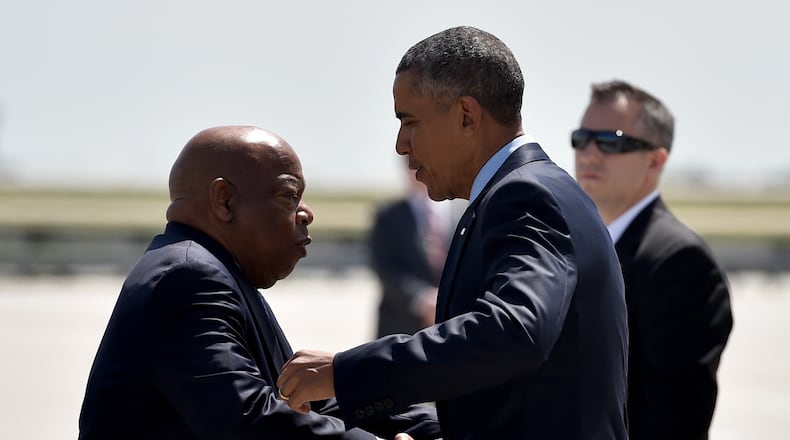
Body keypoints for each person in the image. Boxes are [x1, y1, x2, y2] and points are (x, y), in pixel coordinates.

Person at [276, 26, 629, 439]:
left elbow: (515, 331)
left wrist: (348, 372)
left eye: (409, 121)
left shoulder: (524, 195)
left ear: (466, 115)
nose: (400, 144)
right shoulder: (517, 193)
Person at [78, 126, 440, 440]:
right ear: (224, 201)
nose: (306, 213)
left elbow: (302, 397)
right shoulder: (187, 277)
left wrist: (442, 428)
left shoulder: (216, 270)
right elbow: (249, 419)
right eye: (288, 195)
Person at [572, 80, 734, 439]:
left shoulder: (681, 264)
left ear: (656, 160)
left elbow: (673, 423)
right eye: (581, 138)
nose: (589, 153)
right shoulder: (570, 246)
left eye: (611, 141)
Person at [369, 160, 457, 337]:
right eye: (413, 164)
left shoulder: (464, 211)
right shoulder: (388, 215)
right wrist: (422, 298)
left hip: (454, 325)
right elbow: (384, 267)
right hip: (401, 326)